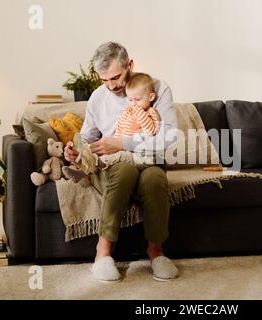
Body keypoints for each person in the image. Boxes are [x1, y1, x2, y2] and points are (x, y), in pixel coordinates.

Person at [64, 42, 178, 282]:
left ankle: (156, 252)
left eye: (116, 77)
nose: (111, 85)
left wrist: (124, 143)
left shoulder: (157, 88)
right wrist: (75, 150)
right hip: (113, 167)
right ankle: (103, 252)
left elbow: (169, 137)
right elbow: (87, 136)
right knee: (125, 170)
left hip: (148, 161)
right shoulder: (98, 97)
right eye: (103, 79)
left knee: (155, 178)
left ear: (130, 65)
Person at [63, 72, 161, 181]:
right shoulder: (127, 112)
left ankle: (86, 169)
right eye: (131, 100)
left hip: (143, 156)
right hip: (126, 153)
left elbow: (151, 130)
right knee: (108, 157)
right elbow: (119, 132)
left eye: (137, 100)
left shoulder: (150, 112)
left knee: (117, 157)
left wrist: (139, 112)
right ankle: (83, 169)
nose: (133, 104)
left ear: (151, 97)